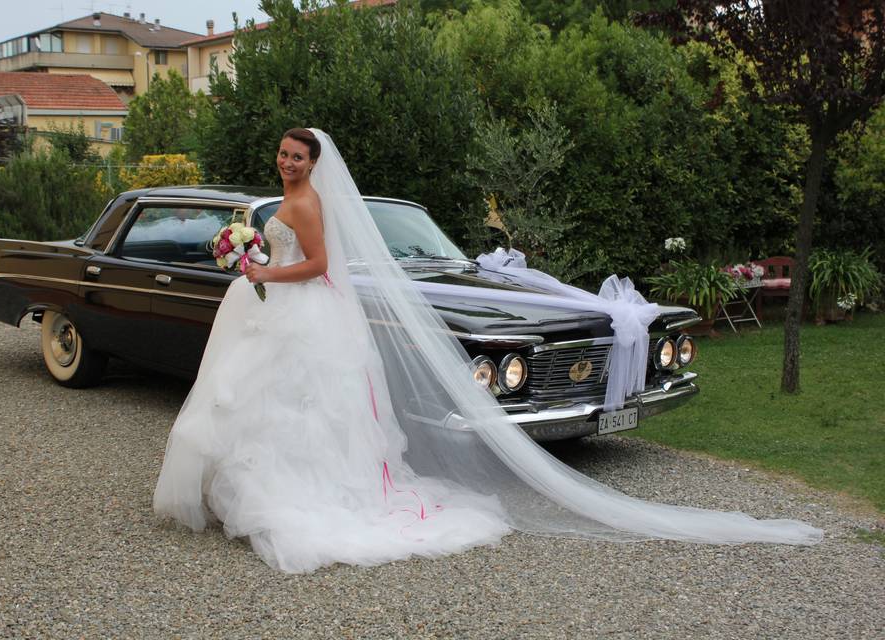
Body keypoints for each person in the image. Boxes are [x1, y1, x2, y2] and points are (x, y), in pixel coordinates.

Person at [153, 128, 821, 574]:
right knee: (267, 402)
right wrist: (254, 260)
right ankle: (255, 492)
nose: (289, 162)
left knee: (300, 407)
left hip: (296, 303)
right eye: (283, 154)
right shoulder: (286, 202)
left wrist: (264, 271)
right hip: (283, 312)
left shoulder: (309, 207)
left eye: (298, 157)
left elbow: (323, 265)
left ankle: (294, 499)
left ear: (314, 163)